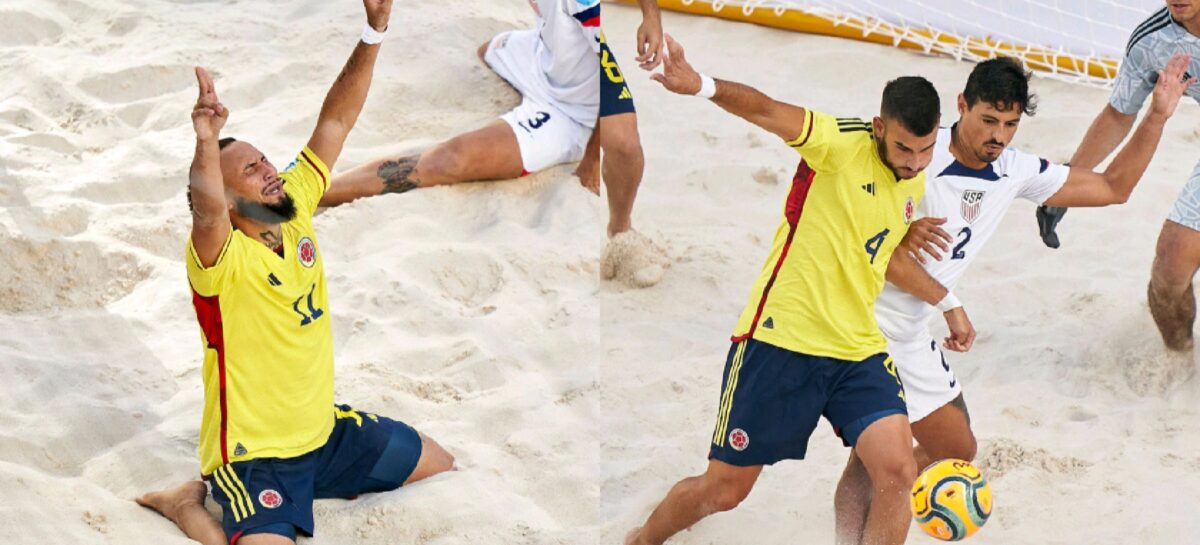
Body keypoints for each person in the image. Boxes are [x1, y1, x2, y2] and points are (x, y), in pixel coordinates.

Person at [624, 35, 974, 545]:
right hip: (781, 340)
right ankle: (641, 540)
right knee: (725, 490)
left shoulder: (913, 177)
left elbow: (874, 250)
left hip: (857, 347)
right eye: (904, 148)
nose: (915, 162)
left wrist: (945, 299)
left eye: (925, 150)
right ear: (879, 127)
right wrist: (700, 85)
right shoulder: (837, 144)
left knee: (898, 472)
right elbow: (766, 109)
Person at [832, 53, 1193, 544]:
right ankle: (853, 533)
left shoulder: (1013, 170)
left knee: (956, 449)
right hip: (862, 323)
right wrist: (949, 302)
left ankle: (871, 506)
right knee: (885, 458)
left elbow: (1114, 187)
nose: (998, 136)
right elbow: (871, 245)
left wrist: (1156, 116)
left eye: (1010, 124)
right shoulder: (917, 156)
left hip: (912, 332)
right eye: (988, 120)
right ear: (962, 105)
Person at [135, 3, 454, 544]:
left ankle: (305, 489)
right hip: (255, 458)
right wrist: (207, 140)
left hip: (323, 434)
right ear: (228, 199)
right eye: (251, 170)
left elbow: (336, 121)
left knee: (441, 464)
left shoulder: (295, 204)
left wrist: (373, 31)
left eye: (265, 160)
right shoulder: (220, 259)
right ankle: (185, 504)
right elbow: (206, 212)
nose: (269, 171)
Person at [1034, 1, 1200, 351]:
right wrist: (1065, 185)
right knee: (1170, 269)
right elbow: (1118, 115)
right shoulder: (1153, 40)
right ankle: (1179, 357)